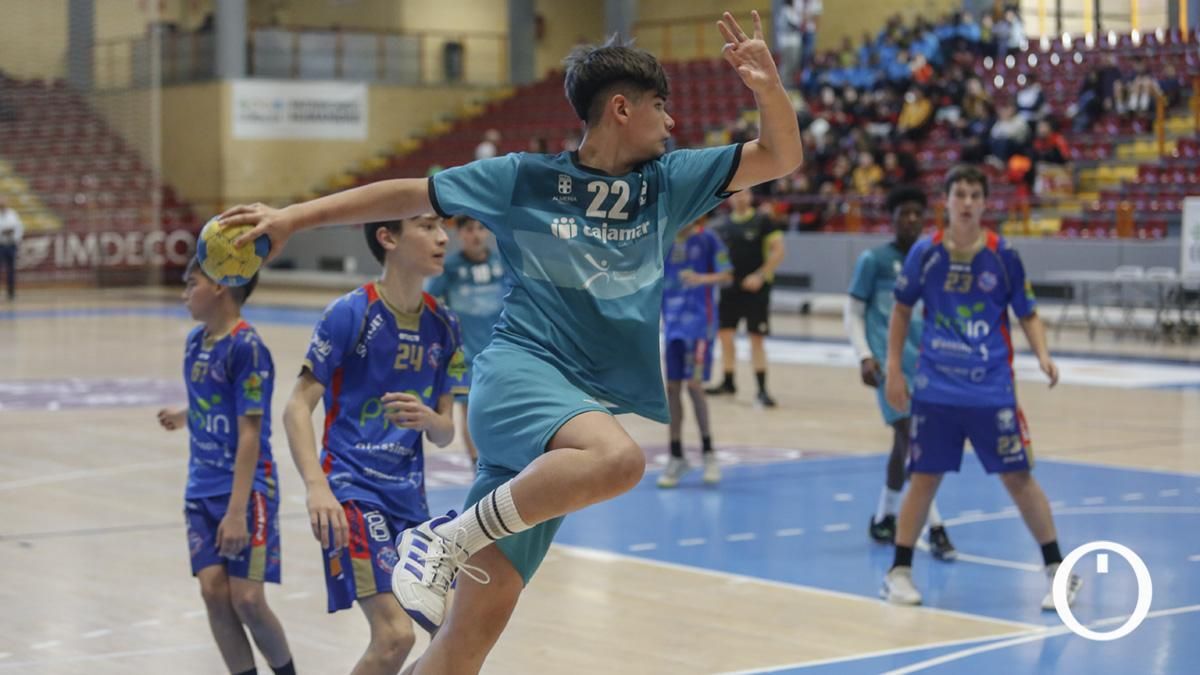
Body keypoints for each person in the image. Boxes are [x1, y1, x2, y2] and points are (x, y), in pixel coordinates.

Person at [220, 11, 802, 673]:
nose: (671, 121)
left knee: (463, 646)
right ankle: (445, 535)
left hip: (558, 440)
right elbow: (411, 191)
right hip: (522, 380)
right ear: (621, 107)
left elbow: (781, 155)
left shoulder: (668, 185)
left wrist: (767, 88)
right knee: (621, 460)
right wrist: (294, 215)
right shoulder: (525, 179)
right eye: (660, 107)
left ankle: (452, 539)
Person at [880, 165, 1082, 610]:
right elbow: (899, 310)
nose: (967, 202)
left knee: (1018, 477)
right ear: (947, 201)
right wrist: (894, 370)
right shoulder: (924, 252)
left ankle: (1059, 573)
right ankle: (898, 572)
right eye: (960, 194)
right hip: (935, 390)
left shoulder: (1003, 255)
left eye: (975, 194)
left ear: (985, 203)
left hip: (991, 391)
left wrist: (1043, 354)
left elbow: (1026, 311)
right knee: (924, 478)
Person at [281, 214, 468, 674]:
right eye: (426, 227)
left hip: (411, 502)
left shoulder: (444, 326)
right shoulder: (351, 312)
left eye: (443, 228)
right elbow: (295, 408)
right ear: (388, 238)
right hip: (353, 490)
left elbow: (445, 433)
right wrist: (316, 487)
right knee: (394, 636)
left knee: (457, 636)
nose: (444, 237)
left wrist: (431, 420)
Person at [157, 261, 295, 675]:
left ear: (219, 286)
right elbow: (209, 401)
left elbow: (250, 433)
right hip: (200, 489)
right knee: (213, 592)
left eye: (191, 283)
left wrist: (237, 512)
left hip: (245, 492)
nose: (185, 292)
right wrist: (183, 416)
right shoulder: (195, 342)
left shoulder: (247, 347)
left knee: (248, 600)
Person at [845, 185, 955, 559]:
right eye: (902, 213)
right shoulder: (873, 261)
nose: (909, 219)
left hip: (928, 366)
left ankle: (884, 517)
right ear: (891, 219)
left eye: (915, 213)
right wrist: (864, 355)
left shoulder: (933, 260)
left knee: (903, 445)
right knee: (913, 440)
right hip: (889, 368)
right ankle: (936, 527)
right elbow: (854, 312)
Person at [425, 216, 510, 468]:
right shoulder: (450, 267)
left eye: (481, 228)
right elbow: (428, 300)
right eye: (469, 229)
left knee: (502, 408)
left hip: (499, 351)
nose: (476, 235)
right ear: (460, 234)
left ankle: (502, 461)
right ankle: (477, 466)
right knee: (471, 410)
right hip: (463, 354)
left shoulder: (502, 262)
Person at [658, 210, 733, 488]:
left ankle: (709, 452)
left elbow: (728, 274)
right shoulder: (664, 242)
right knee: (672, 389)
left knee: (694, 385)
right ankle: (676, 455)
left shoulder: (709, 239)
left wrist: (702, 279)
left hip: (701, 327)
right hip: (673, 326)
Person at [707, 187, 786, 407]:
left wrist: (760, 275)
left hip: (755, 290)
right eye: (737, 193)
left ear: (750, 196)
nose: (741, 197)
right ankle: (728, 381)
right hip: (729, 289)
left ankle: (762, 390)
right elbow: (717, 256)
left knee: (756, 339)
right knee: (725, 336)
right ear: (730, 199)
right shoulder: (721, 225)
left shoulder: (763, 221)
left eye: (745, 193)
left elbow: (778, 251)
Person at [0, 197, 23, 301]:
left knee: (11, 270)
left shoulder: (13, 214)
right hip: (1, 245)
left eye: (3, 202)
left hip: (11, 245)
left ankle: (11, 293)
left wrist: (14, 237)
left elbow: (19, 228)